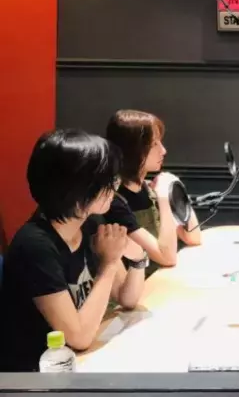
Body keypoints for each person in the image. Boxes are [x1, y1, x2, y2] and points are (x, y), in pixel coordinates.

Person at [0, 129, 146, 372]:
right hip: (36, 374)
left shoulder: (89, 224)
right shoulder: (35, 246)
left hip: (80, 362)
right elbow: (78, 337)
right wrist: (109, 263)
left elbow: (126, 298)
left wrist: (138, 258)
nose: (115, 186)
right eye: (107, 181)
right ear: (75, 188)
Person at [104, 110, 202, 278]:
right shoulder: (114, 202)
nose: (163, 151)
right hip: (140, 289)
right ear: (134, 149)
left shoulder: (150, 190)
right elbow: (167, 257)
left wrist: (176, 190)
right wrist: (163, 198)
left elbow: (193, 236)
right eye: (154, 144)